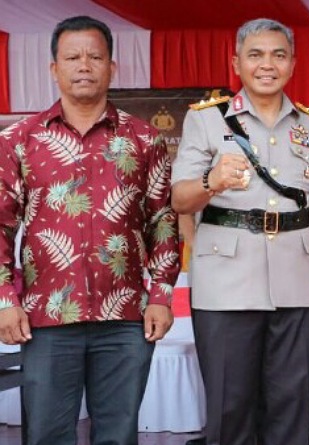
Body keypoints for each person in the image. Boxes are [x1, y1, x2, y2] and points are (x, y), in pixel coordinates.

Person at [0, 15, 179, 445]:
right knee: (46, 434)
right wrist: (6, 300)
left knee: (117, 435)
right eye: (73, 57)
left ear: (111, 67)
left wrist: (161, 297)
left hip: (126, 320)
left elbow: (163, 223)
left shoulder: (143, 140)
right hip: (45, 318)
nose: (84, 65)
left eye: (95, 57)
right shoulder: (20, 140)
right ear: (54, 69)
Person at [170, 18, 309, 445]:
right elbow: (180, 200)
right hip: (226, 280)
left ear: (293, 64)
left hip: (298, 280)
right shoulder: (206, 121)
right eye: (256, 54)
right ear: (237, 63)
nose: (268, 64)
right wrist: (212, 181)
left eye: (278, 55)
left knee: (292, 403)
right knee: (231, 407)